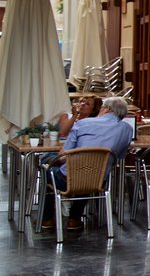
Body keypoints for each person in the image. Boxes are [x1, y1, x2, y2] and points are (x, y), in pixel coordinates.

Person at [40, 96, 134, 231]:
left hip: (67, 179)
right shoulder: (127, 129)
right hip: (98, 180)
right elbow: (120, 156)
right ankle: (74, 219)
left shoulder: (83, 124)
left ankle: (47, 219)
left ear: (106, 109)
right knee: (89, 171)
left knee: (48, 168)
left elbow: (62, 157)